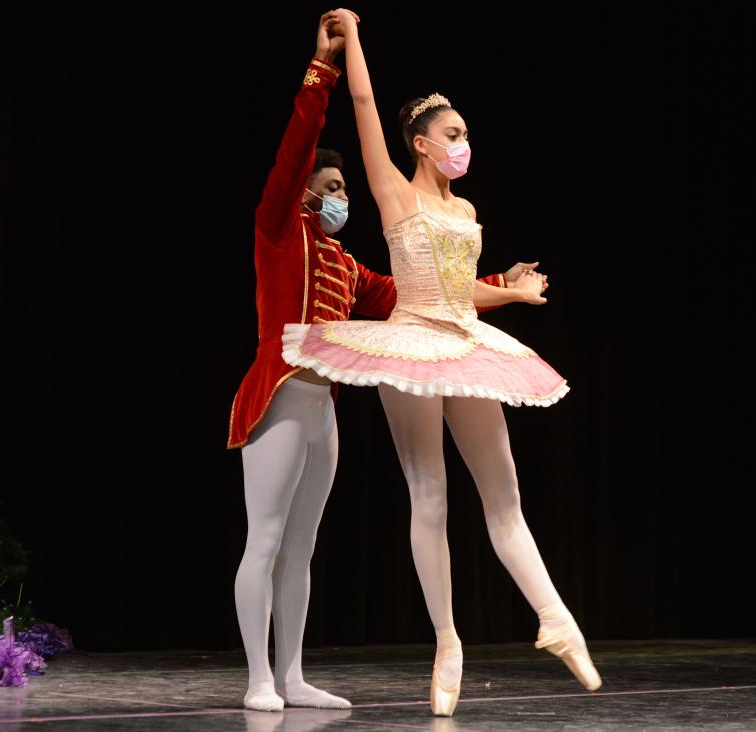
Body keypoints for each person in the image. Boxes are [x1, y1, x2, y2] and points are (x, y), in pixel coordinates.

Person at [281, 9, 600, 717]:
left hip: (463, 341)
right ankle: (448, 641)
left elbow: (460, 289)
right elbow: (363, 104)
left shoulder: (469, 209)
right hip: (412, 340)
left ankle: (555, 619)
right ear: (422, 145)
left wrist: (509, 291)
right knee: (430, 494)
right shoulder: (395, 193)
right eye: (453, 136)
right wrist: (352, 41)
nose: (464, 145)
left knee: (504, 495)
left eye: (466, 136)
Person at [230, 10, 532, 712]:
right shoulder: (280, 232)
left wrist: (505, 291)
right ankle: (257, 679)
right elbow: (299, 142)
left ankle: (293, 673)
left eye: (343, 190)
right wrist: (323, 68)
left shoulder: (343, 262)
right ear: (305, 191)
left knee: (302, 545)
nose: (341, 199)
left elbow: (425, 294)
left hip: (322, 408)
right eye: (330, 189)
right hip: (277, 395)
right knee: (266, 538)